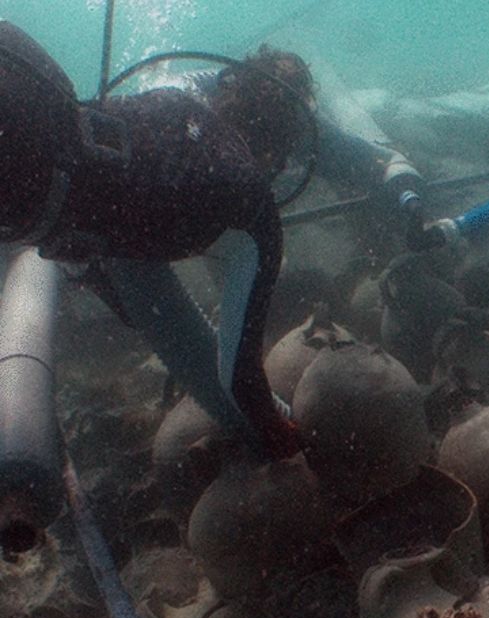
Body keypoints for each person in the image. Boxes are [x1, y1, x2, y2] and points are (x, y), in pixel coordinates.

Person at [0, 20, 425, 458]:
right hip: (24, 190)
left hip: (28, 113)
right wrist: (276, 431)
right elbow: (235, 377)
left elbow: (130, 256)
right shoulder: (251, 204)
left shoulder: (170, 95)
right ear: (283, 148)